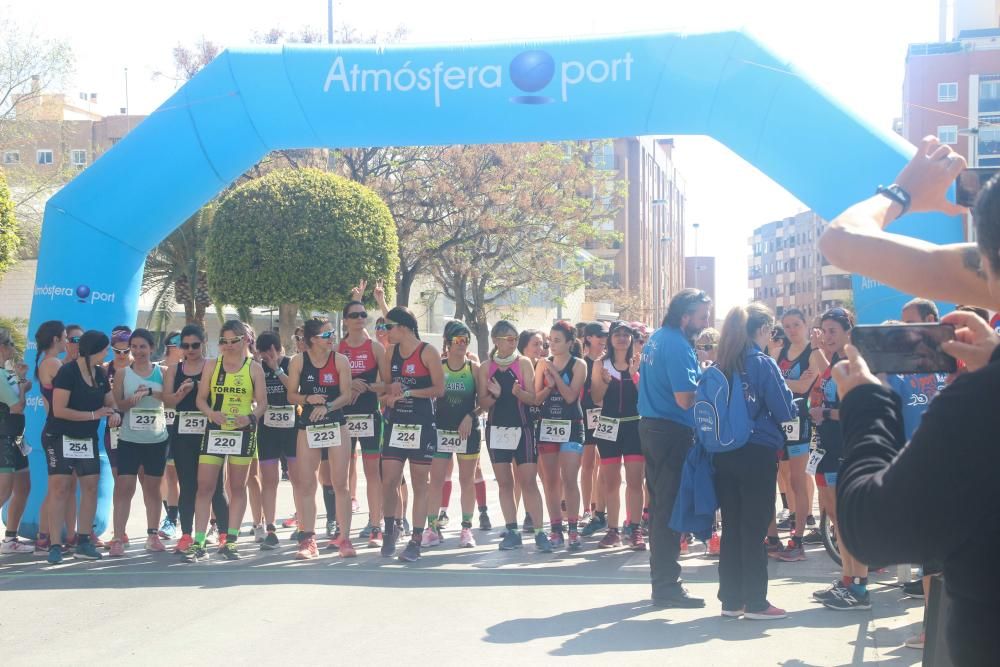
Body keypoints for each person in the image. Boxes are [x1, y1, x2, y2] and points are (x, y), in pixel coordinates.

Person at [711, 303, 797, 620]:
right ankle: (757, 602)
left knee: (732, 526)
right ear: (762, 330)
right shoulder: (762, 363)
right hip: (757, 450)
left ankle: (731, 600)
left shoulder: (722, 362)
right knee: (755, 526)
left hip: (723, 451)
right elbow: (785, 408)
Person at [638, 288, 712, 608]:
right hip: (670, 431)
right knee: (666, 511)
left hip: (652, 427)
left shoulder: (657, 337)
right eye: (702, 315)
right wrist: (709, 383)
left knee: (659, 508)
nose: (705, 321)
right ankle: (666, 585)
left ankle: (664, 580)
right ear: (685, 316)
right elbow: (684, 398)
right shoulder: (678, 344)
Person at [184, 320, 267, 562]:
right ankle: (198, 541)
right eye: (223, 341)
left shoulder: (254, 368)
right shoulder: (212, 365)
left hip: (242, 432)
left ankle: (231, 540)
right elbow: (201, 399)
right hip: (215, 431)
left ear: (245, 340)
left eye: (233, 341)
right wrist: (211, 414)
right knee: (205, 486)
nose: (228, 346)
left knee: (238, 486)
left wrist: (249, 417)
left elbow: (262, 403)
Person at [808, 307, 871, 611]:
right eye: (825, 330)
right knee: (839, 522)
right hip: (830, 449)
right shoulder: (831, 360)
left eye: (833, 330)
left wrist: (827, 413)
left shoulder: (854, 363)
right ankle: (847, 580)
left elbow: (860, 407)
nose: (827, 336)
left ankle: (859, 587)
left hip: (850, 449)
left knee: (851, 521)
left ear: (848, 331)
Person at [42, 330, 121, 563]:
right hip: (60, 436)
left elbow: (110, 401)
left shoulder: (100, 373)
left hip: (86, 439)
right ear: (94, 350)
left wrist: (114, 413)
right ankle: (55, 544)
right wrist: (93, 415)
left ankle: (83, 540)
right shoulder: (67, 372)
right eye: (105, 348)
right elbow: (59, 410)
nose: (107, 353)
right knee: (60, 489)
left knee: (90, 487)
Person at [285, 317, 355, 559]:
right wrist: (307, 399)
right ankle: (308, 540)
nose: (332, 337)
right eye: (327, 335)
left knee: (341, 484)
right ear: (313, 340)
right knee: (306, 484)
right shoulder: (298, 362)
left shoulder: (340, 360)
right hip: (308, 427)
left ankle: (344, 539)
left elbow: (346, 395)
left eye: (332, 333)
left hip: (336, 424)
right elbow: (291, 395)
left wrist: (327, 406)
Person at [379, 307, 445, 562]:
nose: (385, 332)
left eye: (389, 327)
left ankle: (416, 539)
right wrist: (391, 392)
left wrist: (410, 393)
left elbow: (439, 389)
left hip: (422, 424)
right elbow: (386, 389)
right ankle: (390, 529)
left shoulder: (428, 352)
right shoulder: (390, 352)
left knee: (420, 483)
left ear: (404, 328)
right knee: (389, 480)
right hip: (396, 424)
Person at [479, 320, 551, 553]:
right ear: (496, 341)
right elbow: (483, 404)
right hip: (497, 429)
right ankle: (512, 530)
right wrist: (496, 395)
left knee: (528, 481)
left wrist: (520, 393)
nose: (514, 343)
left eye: (515, 339)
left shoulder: (524, 363)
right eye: (509, 339)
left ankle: (540, 532)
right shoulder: (485, 367)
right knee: (504, 483)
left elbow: (533, 398)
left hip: (523, 428)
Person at [162, 324, 225, 556]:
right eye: (185, 346)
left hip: (210, 430)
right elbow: (167, 401)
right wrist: (179, 394)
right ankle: (187, 535)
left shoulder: (213, 366)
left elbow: (221, 394)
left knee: (214, 486)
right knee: (187, 485)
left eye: (195, 345)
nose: (190, 350)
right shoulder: (173, 370)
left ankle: (223, 533)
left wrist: (199, 386)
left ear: (203, 343)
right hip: (183, 432)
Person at [109, 329, 170, 556]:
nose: (138, 351)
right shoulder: (123, 373)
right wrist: (131, 401)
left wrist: (153, 392)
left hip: (156, 440)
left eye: (142, 346)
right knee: (124, 486)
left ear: (152, 348)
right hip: (130, 440)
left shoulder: (162, 372)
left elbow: (170, 400)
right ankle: (117, 537)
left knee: (153, 488)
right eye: (134, 347)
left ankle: (152, 535)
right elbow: (119, 405)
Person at [590, 320, 646, 551]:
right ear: (610, 338)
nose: (622, 338)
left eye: (626, 334)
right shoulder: (600, 364)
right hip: (608, 426)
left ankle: (635, 529)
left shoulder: (640, 361)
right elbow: (595, 397)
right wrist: (603, 382)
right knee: (610, 481)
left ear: (632, 338)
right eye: (617, 334)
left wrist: (634, 375)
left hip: (634, 426)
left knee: (635, 481)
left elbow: (646, 396)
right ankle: (612, 530)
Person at [773, 309, 824, 562]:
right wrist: (787, 383)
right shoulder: (778, 351)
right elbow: (770, 383)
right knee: (782, 477)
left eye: (796, 324)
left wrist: (780, 381)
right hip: (778, 421)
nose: (792, 330)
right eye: (787, 326)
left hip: (799, 422)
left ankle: (799, 538)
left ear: (805, 325)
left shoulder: (812, 354)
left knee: (797, 479)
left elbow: (804, 387)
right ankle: (786, 528)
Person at [339, 301, 389, 549]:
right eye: (354, 315)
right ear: (345, 320)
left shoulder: (376, 348)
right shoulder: (337, 348)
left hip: (370, 416)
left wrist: (367, 385)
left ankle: (375, 526)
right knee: (342, 476)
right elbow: (329, 385)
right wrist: (349, 387)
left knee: (373, 474)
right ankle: (343, 530)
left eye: (363, 314)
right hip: (342, 419)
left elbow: (388, 384)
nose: (359, 318)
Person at [428, 320, 483, 548]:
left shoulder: (473, 368)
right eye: (457, 340)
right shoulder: (438, 366)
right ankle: (431, 529)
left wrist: (470, 415)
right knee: (436, 481)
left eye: (465, 340)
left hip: (467, 432)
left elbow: (484, 401)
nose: (462, 344)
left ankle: (466, 529)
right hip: (441, 430)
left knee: (466, 480)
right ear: (447, 343)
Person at [534, 320, 587, 551]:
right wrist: (547, 384)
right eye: (550, 341)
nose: (552, 345)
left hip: (572, 425)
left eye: (557, 341)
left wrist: (554, 372)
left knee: (569, 479)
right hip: (548, 425)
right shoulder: (541, 365)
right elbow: (537, 397)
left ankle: (573, 529)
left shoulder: (579, 365)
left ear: (569, 342)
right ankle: (556, 528)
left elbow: (570, 396)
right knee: (550, 480)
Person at [253, 330, 297, 550]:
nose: (267, 358)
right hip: (267, 431)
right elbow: (253, 396)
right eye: (262, 356)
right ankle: (270, 528)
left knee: (299, 480)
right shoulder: (258, 369)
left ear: (276, 349)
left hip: (292, 430)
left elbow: (295, 389)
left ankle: (304, 526)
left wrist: (277, 369)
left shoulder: (291, 363)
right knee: (269, 480)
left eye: (269, 353)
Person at [32, 320, 66, 556]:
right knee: (56, 489)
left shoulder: (50, 362)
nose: (67, 341)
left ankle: (45, 537)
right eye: (65, 337)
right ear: (55, 339)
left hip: (57, 429)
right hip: (56, 430)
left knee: (57, 488)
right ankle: (44, 539)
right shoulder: (53, 362)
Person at [0, 329, 34, 554]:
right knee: (3, 491)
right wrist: (22, 387)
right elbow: (17, 406)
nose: (13, 347)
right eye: (10, 343)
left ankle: (11, 538)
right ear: (1, 347)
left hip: (18, 436)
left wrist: (22, 380)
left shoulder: (7, 372)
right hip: (4, 437)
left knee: (24, 486)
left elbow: (23, 387)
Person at [579, 321, 609, 537]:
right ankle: (587, 509)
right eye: (600, 336)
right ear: (588, 338)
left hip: (606, 416)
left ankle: (600, 508)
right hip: (585, 416)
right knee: (588, 463)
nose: (604, 340)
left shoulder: (608, 362)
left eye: (605, 336)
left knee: (605, 463)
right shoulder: (582, 363)